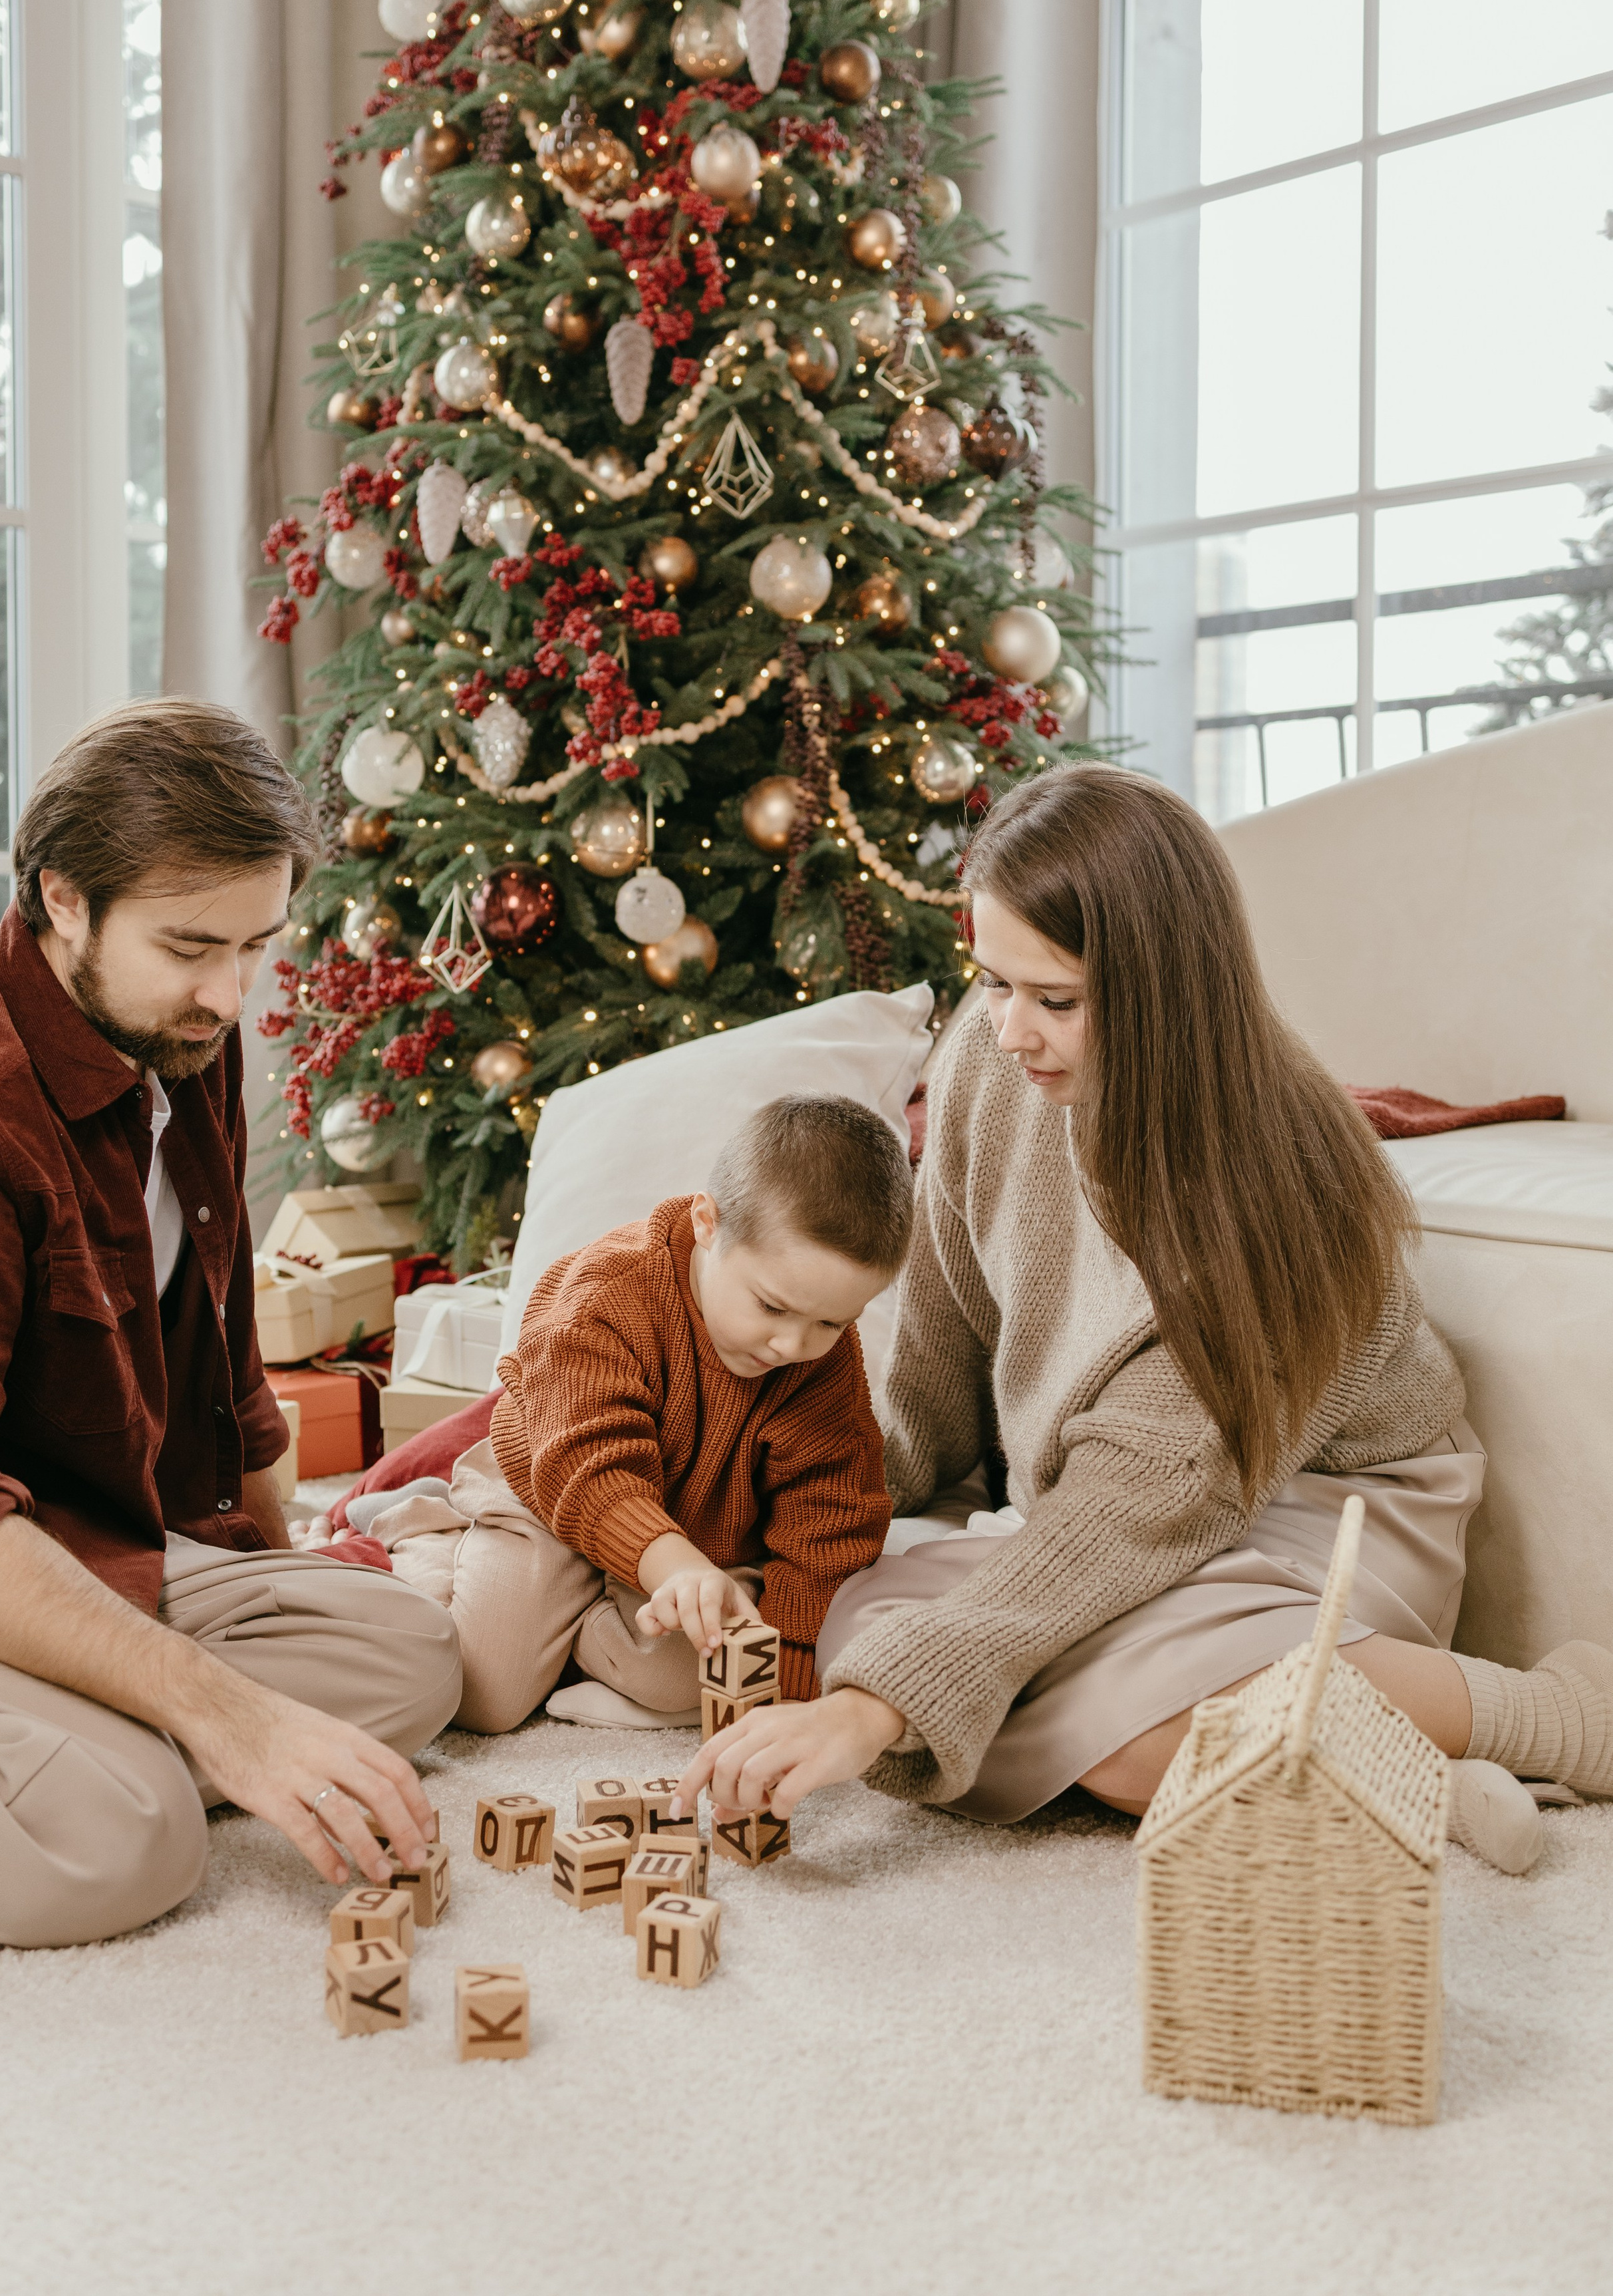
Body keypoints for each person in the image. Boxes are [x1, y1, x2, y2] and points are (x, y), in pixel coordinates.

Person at [676, 762, 1613, 1877]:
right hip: (1103, 1500)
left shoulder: (1283, 1188)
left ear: (1164, 987)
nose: (1011, 1031)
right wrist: (807, 1502)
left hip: (1323, 1509)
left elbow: (1146, 1502)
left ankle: (1547, 1716)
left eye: (1056, 1000)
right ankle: (1403, 1774)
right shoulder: (990, 1059)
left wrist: (875, 1711)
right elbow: (939, 1353)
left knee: (1089, 1718)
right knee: (851, 1616)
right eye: (993, 981)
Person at [0, 701, 462, 1949]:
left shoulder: (178, 1033)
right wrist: (230, 1715)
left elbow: (225, 1353)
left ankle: (77, 1736)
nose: (230, 992)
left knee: (416, 1653)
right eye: (191, 946)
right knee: (125, 1841)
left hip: (81, 1541)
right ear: (63, 899)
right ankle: (102, 1762)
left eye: (259, 944)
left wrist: (278, 1569)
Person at [399, 1094, 904, 1734]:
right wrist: (678, 1567)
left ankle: (571, 1640)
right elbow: (587, 1468)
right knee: (484, 1696)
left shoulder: (823, 1365)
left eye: (830, 1322)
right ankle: (434, 1537)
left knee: (711, 1666)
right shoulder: (606, 1292)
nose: (791, 1344)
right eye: (772, 1307)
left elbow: (830, 1524)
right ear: (707, 1223)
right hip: (554, 1495)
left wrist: (786, 1685)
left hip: (690, 1532)